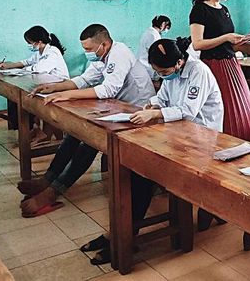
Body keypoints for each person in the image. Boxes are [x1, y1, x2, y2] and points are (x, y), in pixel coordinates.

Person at [80, 37, 224, 265]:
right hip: (178, 135)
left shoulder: (198, 72)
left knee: (143, 174)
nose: (162, 76)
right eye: (158, 72)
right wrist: (153, 104)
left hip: (202, 140)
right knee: (134, 169)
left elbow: (188, 111)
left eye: (164, 71)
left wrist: (156, 114)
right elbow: (164, 97)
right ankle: (119, 232)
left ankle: (124, 236)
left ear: (179, 62)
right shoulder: (171, 73)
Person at [18, 24, 155, 217]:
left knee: (90, 141)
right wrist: (55, 88)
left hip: (138, 113)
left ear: (104, 44)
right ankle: (48, 179)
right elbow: (84, 79)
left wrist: (67, 95)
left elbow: (108, 89)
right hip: (119, 110)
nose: (87, 53)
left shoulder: (119, 53)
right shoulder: (102, 57)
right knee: (75, 133)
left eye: (89, 49)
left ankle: (54, 191)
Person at [189, 0, 250, 145]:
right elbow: (197, 43)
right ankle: (224, 145)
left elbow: (230, 44)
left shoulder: (224, 10)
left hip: (231, 64)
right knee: (224, 108)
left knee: (242, 106)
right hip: (213, 65)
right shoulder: (200, 9)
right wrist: (225, 38)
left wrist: (248, 37)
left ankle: (247, 146)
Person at [0, 26, 69, 143]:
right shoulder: (40, 51)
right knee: (15, 98)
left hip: (59, 86)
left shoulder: (52, 52)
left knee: (25, 98)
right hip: (45, 84)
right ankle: (33, 128)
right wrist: (9, 66)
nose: (29, 45)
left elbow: (39, 69)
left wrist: (21, 70)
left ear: (39, 42)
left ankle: (36, 129)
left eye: (30, 43)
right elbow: (27, 62)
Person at [137, 15, 171, 80]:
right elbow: (157, 53)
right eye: (167, 28)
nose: (166, 30)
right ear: (163, 24)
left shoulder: (149, 32)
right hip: (146, 66)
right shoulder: (154, 35)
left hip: (142, 65)